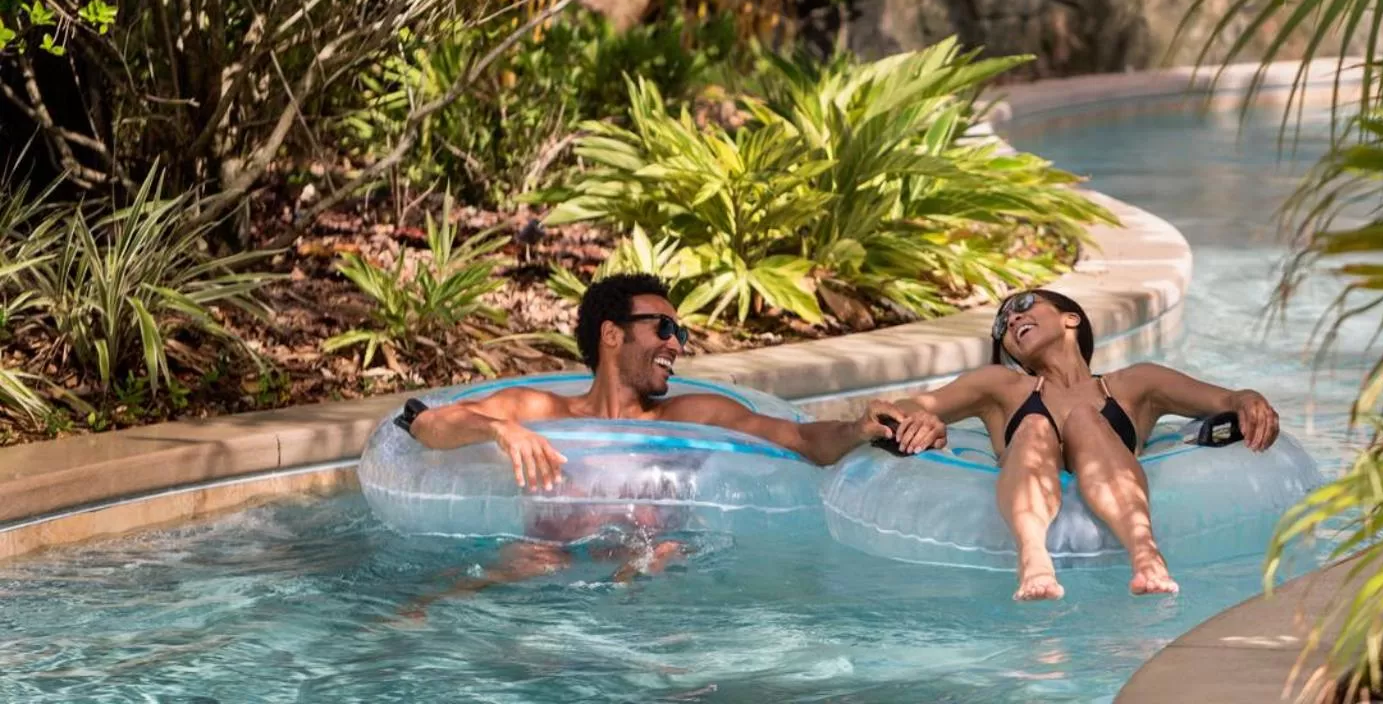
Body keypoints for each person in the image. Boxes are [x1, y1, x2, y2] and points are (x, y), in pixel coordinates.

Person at [396, 272, 935, 613]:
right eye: (664, 329)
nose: (677, 344)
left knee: (663, 559)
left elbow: (797, 439)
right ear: (613, 334)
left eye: (681, 333)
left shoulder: (692, 416)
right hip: (545, 566)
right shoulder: (541, 412)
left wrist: (859, 427)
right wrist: (499, 429)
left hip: (653, 575)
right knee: (422, 610)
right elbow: (425, 424)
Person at [885, 287, 1281, 601]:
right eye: (1003, 324)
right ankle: (1033, 556)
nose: (1013, 318)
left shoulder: (1135, 384)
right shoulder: (1001, 387)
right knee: (1035, 424)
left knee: (1085, 420)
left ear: (1070, 318)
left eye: (1023, 305)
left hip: (1108, 465)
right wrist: (921, 418)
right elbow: (908, 407)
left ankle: (1145, 553)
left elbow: (1227, 400)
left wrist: (1248, 401)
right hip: (1029, 469)